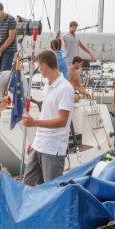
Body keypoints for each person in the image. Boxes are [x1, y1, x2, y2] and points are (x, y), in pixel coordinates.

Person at [22, 50, 74, 185]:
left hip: (53, 148)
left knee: (51, 189)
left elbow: (62, 120)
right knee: (27, 184)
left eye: (39, 67)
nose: (40, 70)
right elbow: (46, 114)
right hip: (40, 144)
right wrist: (34, 140)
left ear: (44, 66)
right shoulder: (47, 86)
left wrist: (34, 123)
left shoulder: (65, 88)